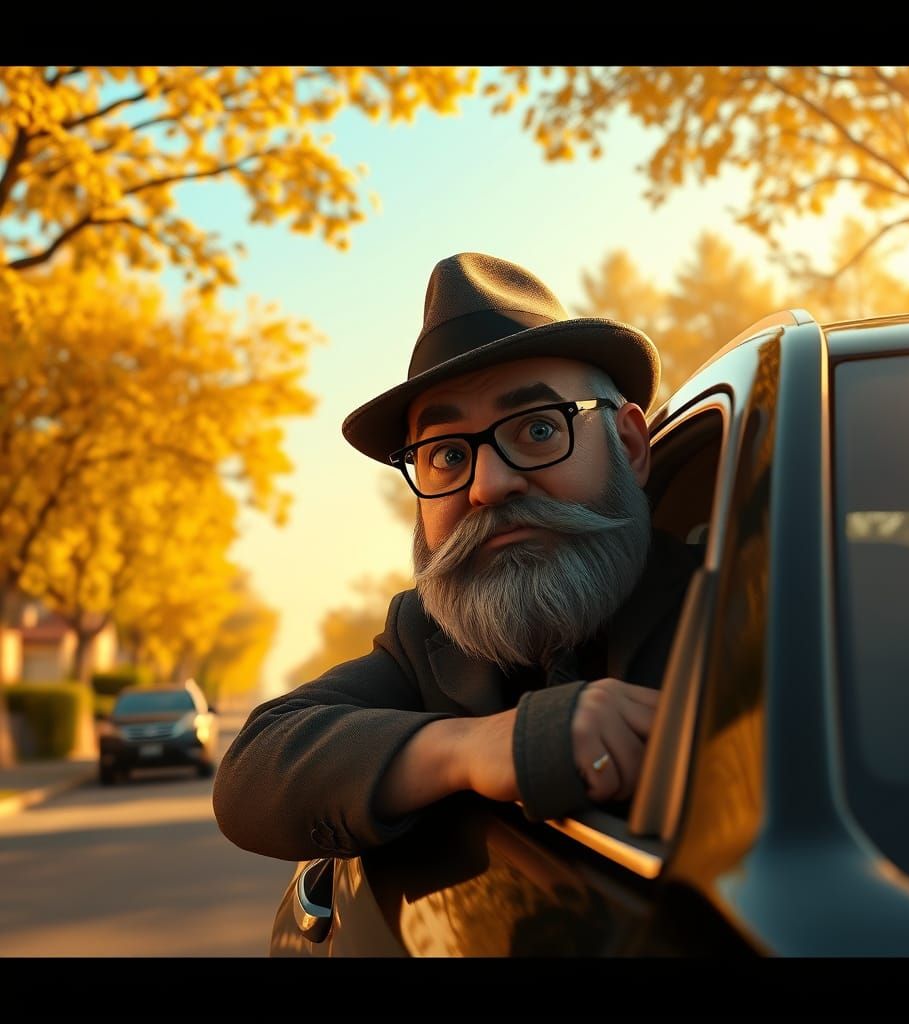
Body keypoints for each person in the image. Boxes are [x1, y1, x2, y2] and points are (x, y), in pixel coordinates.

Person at [213, 252, 699, 861]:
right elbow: (255, 768)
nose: (488, 485)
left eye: (538, 429)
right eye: (446, 454)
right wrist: (475, 748)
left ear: (628, 445)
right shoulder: (426, 639)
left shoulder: (746, 605)